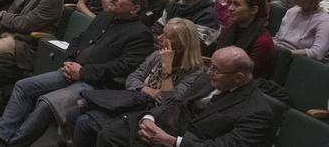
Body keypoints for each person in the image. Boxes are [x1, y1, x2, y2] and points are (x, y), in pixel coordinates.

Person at [0, 0, 154, 147]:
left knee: (47, 102)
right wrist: (68, 60)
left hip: (98, 84)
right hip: (72, 70)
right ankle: (0, 138)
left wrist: (83, 72)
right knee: (23, 86)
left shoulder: (140, 34)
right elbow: (79, 39)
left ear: (135, 8)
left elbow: (122, 67)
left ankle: (13, 144)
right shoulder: (104, 16)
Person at [70, 17, 206, 147]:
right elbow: (132, 78)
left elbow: (168, 102)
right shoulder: (156, 55)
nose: (159, 38)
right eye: (162, 33)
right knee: (74, 112)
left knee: (85, 122)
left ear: (181, 47)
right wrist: (147, 90)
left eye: (167, 36)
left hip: (152, 116)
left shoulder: (195, 73)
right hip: (133, 100)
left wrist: (167, 69)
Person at [102, 48, 273, 147]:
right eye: (210, 66)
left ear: (239, 78)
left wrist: (172, 141)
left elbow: (224, 146)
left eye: (216, 70)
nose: (209, 72)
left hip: (184, 142)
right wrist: (150, 117)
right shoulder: (205, 79)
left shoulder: (257, 112)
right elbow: (175, 103)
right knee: (109, 133)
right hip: (165, 128)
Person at [217, 0, 274, 78]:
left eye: (236, 5)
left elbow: (247, 75)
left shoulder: (263, 41)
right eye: (230, 3)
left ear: (254, 10)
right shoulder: (232, 27)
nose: (230, 8)